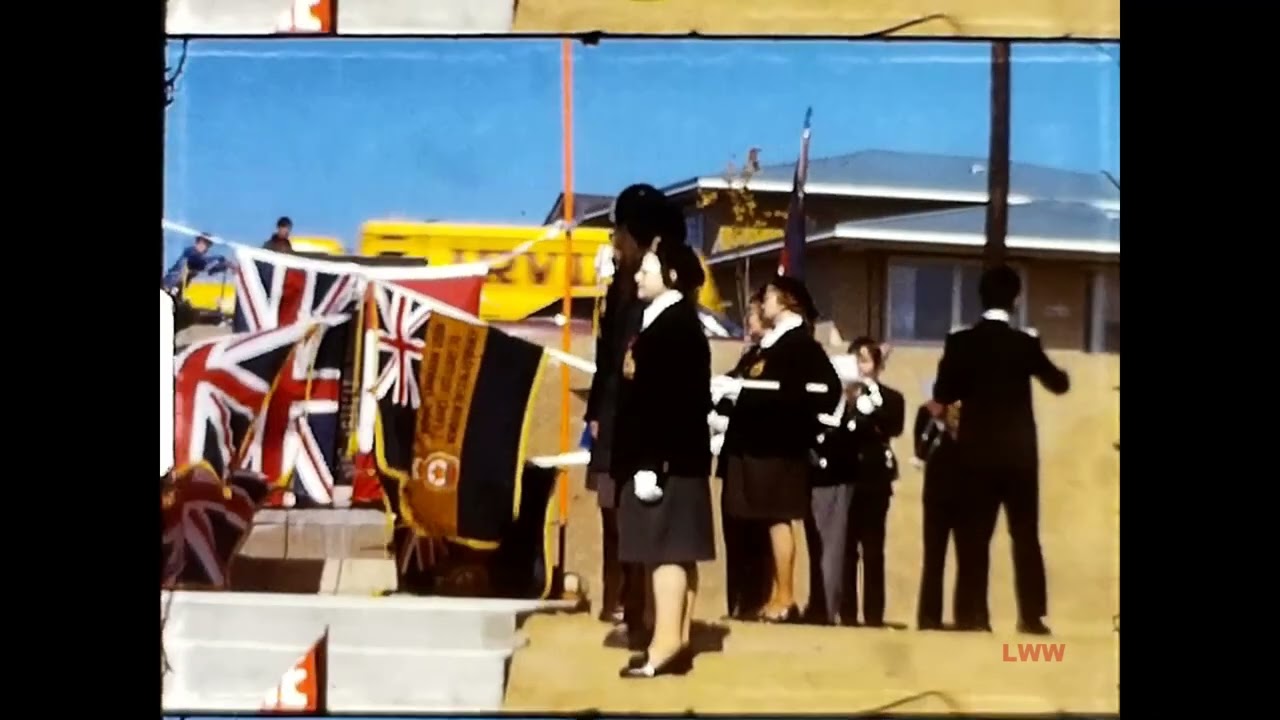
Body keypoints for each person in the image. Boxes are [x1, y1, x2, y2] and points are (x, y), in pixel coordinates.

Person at [932, 264, 1070, 635]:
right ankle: (1032, 616)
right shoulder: (1025, 342)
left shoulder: (960, 341)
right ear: (1016, 298)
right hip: (1020, 455)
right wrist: (1037, 346)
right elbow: (1059, 384)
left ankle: (974, 615)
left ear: (979, 297)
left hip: (976, 454)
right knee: (1025, 534)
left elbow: (942, 393)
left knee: (974, 535)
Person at [611, 226, 715, 679]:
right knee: (674, 551)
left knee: (666, 552)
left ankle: (665, 643)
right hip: (671, 458)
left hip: (666, 460)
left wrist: (653, 464)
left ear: (671, 275)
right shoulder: (662, 321)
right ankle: (676, 639)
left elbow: (668, 401)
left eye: (648, 269)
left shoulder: (675, 328)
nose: (638, 275)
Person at [716, 275, 841, 623]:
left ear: (787, 300)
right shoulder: (767, 346)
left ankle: (784, 596)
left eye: (769, 295)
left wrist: (784, 412)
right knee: (754, 520)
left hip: (778, 449)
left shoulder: (800, 345)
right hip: (751, 448)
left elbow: (826, 392)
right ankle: (762, 596)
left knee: (777, 518)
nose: (764, 301)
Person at [583, 184, 663, 648]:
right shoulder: (616, 289)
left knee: (635, 514)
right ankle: (615, 595)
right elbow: (605, 358)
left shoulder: (657, 289)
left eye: (620, 233)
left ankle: (639, 605)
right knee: (609, 509)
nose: (615, 242)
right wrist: (595, 411)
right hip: (611, 413)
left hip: (639, 416)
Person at [827, 338, 905, 627]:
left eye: (866, 359)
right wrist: (848, 403)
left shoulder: (891, 397)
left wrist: (872, 403)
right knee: (846, 549)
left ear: (877, 365)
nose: (861, 365)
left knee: (873, 549)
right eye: (856, 359)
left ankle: (874, 615)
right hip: (845, 476)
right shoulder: (839, 397)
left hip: (875, 480)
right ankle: (847, 613)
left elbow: (894, 426)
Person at [710, 287, 772, 620]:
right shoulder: (749, 356)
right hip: (733, 457)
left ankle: (755, 600)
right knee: (734, 533)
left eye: (752, 313)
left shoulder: (771, 357)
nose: (748, 320)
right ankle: (736, 602)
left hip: (756, 459)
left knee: (755, 537)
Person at [913, 385, 963, 630]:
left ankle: (968, 615)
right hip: (935, 493)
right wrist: (938, 422)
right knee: (934, 557)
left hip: (969, 492)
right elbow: (919, 451)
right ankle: (928, 617)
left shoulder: (975, 413)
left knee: (969, 558)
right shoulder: (927, 412)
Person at [162, 234, 230, 294]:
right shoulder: (190, 253)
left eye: (208, 245)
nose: (206, 249)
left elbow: (210, 270)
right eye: (205, 244)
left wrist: (224, 266)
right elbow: (203, 265)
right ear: (197, 242)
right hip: (168, 286)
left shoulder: (196, 257)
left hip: (174, 288)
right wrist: (220, 258)